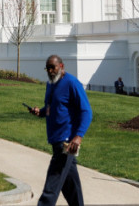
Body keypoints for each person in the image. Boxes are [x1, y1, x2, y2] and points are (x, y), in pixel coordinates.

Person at [28, 54, 93, 206]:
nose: (50, 71)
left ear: (61, 66)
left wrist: (78, 136)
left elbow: (86, 111)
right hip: (55, 139)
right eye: (48, 68)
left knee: (51, 186)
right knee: (71, 188)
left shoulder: (72, 83)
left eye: (53, 67)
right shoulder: (50, 84)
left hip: (65, 143)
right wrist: (41, 112)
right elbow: (52, 107)